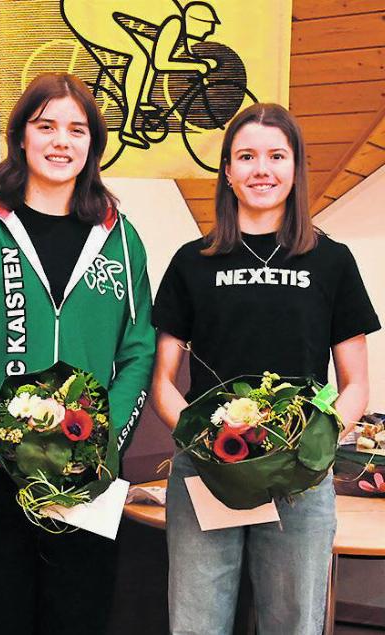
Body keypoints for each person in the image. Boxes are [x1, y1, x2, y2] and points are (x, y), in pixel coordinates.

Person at [0, 72, 156, 635]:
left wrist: (105, 437)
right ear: (21, 138)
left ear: (92, 146)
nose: (61, 141)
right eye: (45, 125)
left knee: (80, 618)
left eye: (77, 130)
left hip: (88, 470)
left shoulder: (121, 239)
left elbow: (139, 353)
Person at [151, 103, 380, 634]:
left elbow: (356, 383)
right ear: (227, 171)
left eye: (277, 156)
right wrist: (202, 444)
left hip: (300, 474)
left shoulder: (332, 261)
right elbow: (162, 379)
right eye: (247, 156)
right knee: (196, 624)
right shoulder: (192, 260)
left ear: (296, 168)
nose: (262, 169)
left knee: (294, 623)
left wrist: (311, 444)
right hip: (209, 468)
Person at [61, 0, 219, 148]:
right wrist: (198, 66)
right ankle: (128, 127)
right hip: (86, 13)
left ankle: (142, 101)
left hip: (90, 8)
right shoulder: (174, 21)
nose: (209, 31)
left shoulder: (177, 21)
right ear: (196, 21)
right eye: (208, 26)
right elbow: (161, 63)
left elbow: (181, 52)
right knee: (140, 57)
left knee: (150, 50)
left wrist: (200, 63)